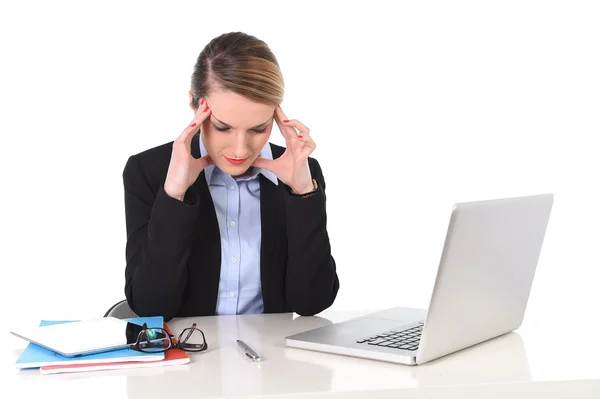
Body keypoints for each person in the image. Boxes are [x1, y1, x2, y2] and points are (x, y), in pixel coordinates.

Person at [122, 32, 339, 320]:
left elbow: (313, 302)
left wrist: (302, 193)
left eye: (258, 129)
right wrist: (173, 195)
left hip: (274, 360)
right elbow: (151, 307)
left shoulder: (300, 171)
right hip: (191, 356)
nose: (240, 149)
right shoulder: (148, 172)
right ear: (195, 105)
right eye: (223, 127)